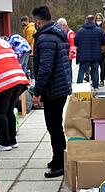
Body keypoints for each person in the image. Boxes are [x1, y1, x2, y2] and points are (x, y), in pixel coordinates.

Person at [31, 5, 71, 178]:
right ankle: (58, 158)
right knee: (55, 125)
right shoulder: (57, 33)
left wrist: (37, 92)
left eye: (34, 21)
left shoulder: (46, 38)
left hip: (53, 89)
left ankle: (60, 163)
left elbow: (45, 68)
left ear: (38, 20)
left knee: (53, 126)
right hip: (60, 86)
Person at [0, 27, 29, 151]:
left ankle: (4, 142)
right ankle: (12, 140)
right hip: (18, 78)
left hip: (2, 80)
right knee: (9, 111)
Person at [74, 15, 105, 89]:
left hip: (83, 56)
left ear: (86, 20)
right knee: (95, 70)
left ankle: (79, 87)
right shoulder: (99, 30)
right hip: (95, 55)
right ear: (93, 20)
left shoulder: (80, 31)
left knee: (82, 71)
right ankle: (95, 86)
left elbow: (75, 42)